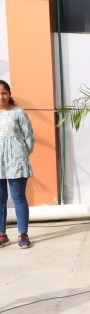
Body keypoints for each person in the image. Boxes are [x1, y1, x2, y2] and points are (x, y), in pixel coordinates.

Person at [0, 80, 34, 249]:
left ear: (9, 94)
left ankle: (23, 234)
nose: (1, 97)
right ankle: (2, 235)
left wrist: (22, 155)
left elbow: (29, 136)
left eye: (4, 93)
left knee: (18, 198)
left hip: (16, 161)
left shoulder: (18, 113)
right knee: (0, 199)